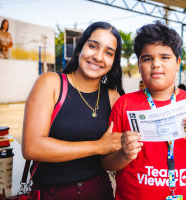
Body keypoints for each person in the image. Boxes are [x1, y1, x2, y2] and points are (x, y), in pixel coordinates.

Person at [101, 21, 186, 200]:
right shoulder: (124, 105)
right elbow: (106, 162)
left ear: (178, 63)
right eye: (147, 58)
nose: (156, 64)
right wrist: (124, 154)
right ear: (138, 65)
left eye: (165, 57)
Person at [22, 21, 125, 200]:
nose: (99, 57)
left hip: (100, 191)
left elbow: (110, 157)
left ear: (113, 62)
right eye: (93, 46)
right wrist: (97, 146)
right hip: (52, 193)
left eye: (108, 53)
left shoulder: (113, 97)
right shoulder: (51, 83)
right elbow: (32, 148)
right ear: (79, 49)